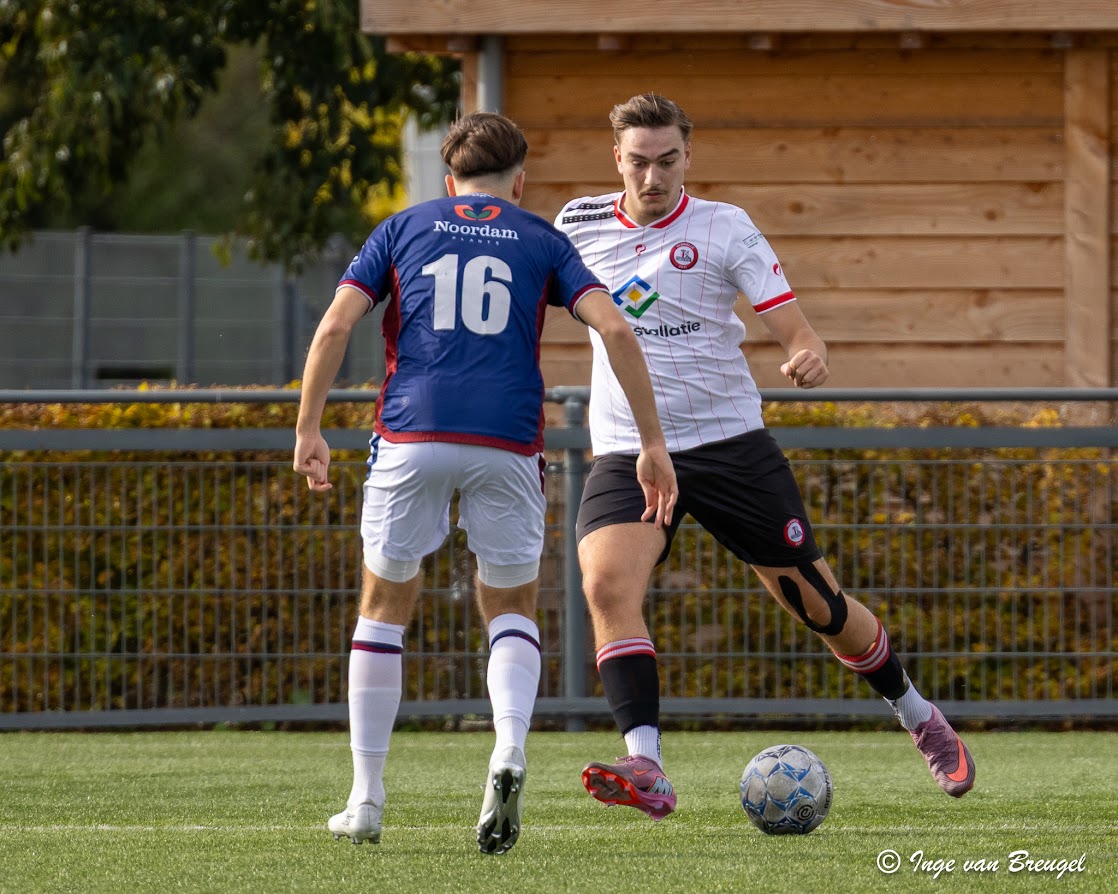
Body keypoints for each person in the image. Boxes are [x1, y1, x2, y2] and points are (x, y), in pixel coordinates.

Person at [554, 94, 975, 822]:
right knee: (606, 586)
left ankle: (918, 714)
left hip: (729, 446)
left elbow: (795, 329)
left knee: (823, 609)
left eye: (668, 161)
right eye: (638, 162)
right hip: (630, 448)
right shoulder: (577, 223)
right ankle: (646, 764)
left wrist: (809, 353)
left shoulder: (725, 227)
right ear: (615, 159)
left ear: (689, 156)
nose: (653, 177)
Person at [293, 111, 677, 854]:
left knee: (383, 608)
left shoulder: (402, 228)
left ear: (450, 182)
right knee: (510, 605)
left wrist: (309, 427)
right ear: (519, 182)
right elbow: (617, 329)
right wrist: (653, 444)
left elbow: (336, 326)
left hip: (411, 435)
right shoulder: (542, 239)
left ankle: (365, 799)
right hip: (507, 441)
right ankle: (508, 748)